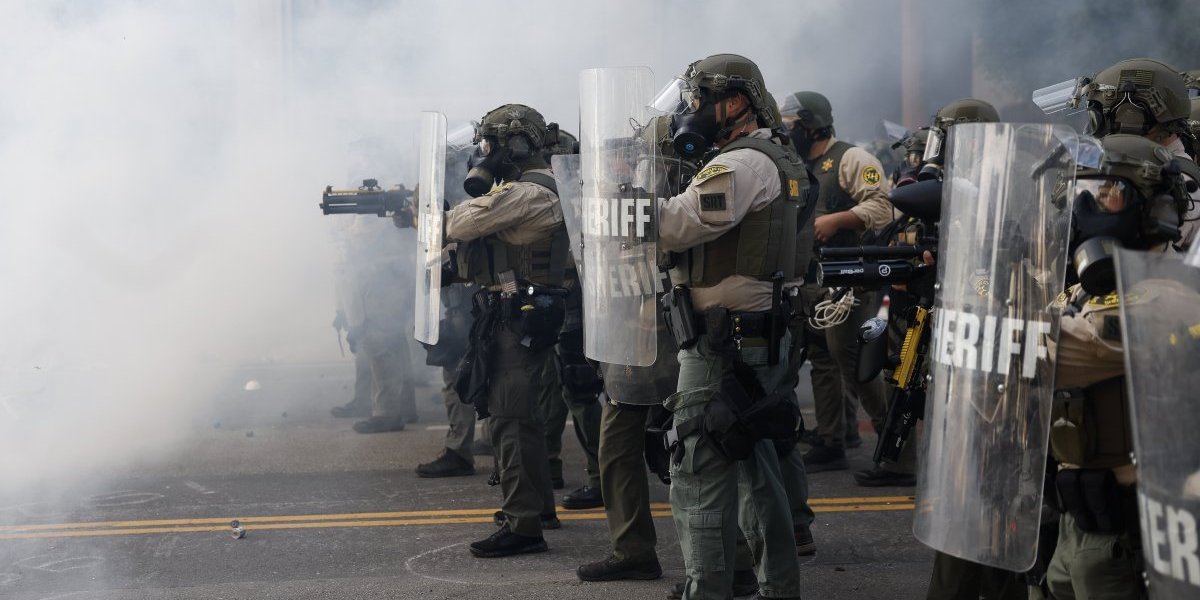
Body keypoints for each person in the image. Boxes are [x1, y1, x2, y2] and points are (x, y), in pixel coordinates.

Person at [652, 53, 810, 600]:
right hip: (756, 334)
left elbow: (678, 223)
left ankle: (708, 589)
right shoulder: (776, 155)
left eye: (699, 101)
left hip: (724, 342)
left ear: (735, 102)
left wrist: (618, 203)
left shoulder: (740, 165)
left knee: (698, 467)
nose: (691, 111)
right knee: (755, 468)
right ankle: (778, 587)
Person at [1043, 133, 1194, 599]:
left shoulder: (1169, 295)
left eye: (1107, 193)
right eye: (1085, 192)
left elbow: (1050, 352)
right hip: (1072, 521)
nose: (1089, 206)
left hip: (1128, 532)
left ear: (1152, 211)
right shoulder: (1088, 290)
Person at [443, 103, 568, 558]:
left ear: (514, 145)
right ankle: (538, 510)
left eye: (490, 144)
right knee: (519, 419)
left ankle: (524, 525)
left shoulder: (532, 191)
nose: (484, 153)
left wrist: (436, 218)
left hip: (522, 317)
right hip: (511, 312)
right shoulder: (524, 188)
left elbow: (462, 221)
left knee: (510, 420)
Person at [778, 90, 894, 473]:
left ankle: (894, 439)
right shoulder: (795, 164)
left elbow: (883, 206)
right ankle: (834, 438)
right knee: (824, 359)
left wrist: (836, 221)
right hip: (814, 282)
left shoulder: (852, 159)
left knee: (854, 359)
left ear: (811, 125)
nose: (785, 131)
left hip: (851, 282)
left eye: (791, 124)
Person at [541, 124, 606, 506]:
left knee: (578, 391)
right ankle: (548, 464)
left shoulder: (580, 197)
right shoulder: (565, 193)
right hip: (557, 306)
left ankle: (601, 477)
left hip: (574, 308)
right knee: (551, 389)